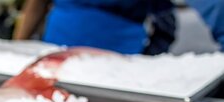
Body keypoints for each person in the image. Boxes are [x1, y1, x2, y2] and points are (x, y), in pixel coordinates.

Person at [15, 0, 174, 54]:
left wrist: (149, 58)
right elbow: (35, 6)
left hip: (118, 63)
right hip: (55, 51)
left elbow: (166, 22)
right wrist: (17, 47)